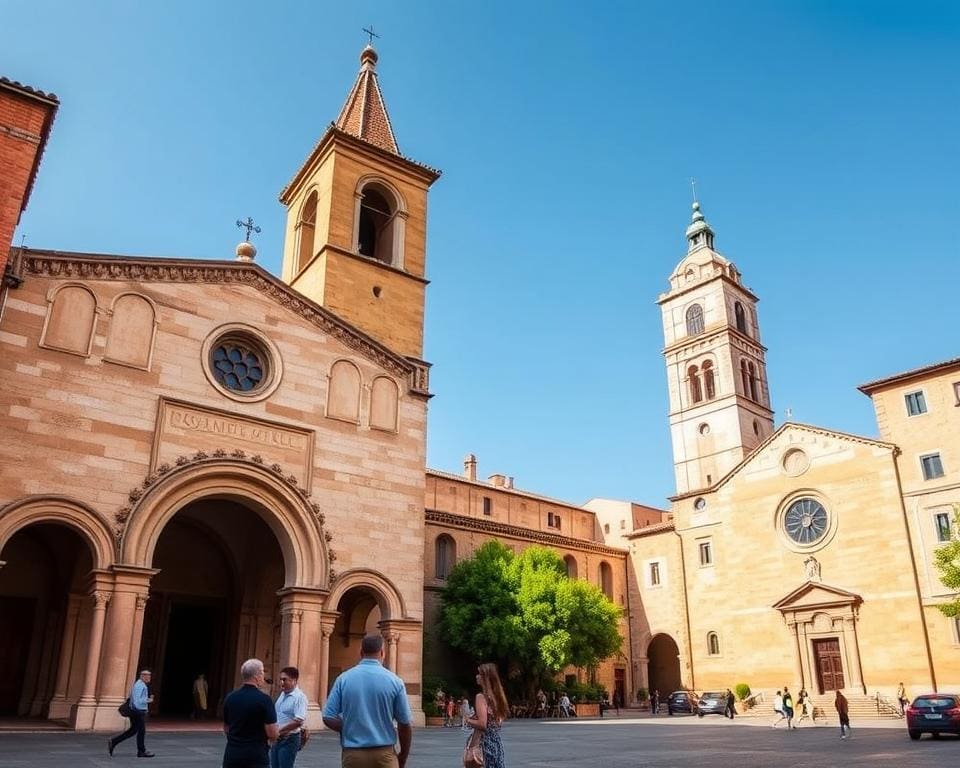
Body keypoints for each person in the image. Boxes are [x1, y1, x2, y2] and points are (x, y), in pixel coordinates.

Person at [323, 634, 412, 768]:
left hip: (353, 754)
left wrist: (348, 727)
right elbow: (404, 723)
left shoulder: (344, 679)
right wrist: (403, 756)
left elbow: (328, 716)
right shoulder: (395, 681)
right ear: (382, 653)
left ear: (361, 653)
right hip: (384, 754)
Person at [222, 658, 278, 768]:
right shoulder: (264, 700)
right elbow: (272, 733)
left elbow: (226, 727)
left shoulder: (230, 697)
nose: (263, 677)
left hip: (232, 754)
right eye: (262, 673)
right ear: (257, 676)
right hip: (256, 756)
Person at [464, 663, 508, 768]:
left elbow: (482, 724)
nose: (477, 676)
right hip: (496, 742)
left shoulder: (481, 697)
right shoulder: (498, 698)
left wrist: (467, 720)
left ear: (485, 678)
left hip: (484, 743)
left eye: (479, 674)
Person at [109, 669, 154, 758]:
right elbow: (137, 701)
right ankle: (141, 751)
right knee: (141, 731)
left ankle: (114, 741)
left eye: (149, 675)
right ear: (142, 676)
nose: (149, 677)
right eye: (147, 675)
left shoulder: (142, 685)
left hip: (137, 711)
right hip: (137, 711)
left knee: (133, 731)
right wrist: (148, 700)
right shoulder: (139, 686)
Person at [272, 666, 308, 768]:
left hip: (289, 739)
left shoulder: (300, 697)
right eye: (280, 679)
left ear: (294, 681)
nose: (281, 682)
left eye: (284, 680)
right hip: (277, 738)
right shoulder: (282, 694)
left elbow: (298, 721)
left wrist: (279, 730)